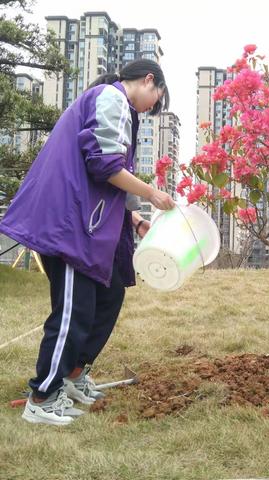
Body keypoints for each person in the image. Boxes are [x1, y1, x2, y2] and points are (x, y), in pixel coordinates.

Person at [0, 59, 175, 425]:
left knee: (110, 294)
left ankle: (74, 374)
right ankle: (43, 396)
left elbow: (98, 182)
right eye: (156, 100)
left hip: (88, 223)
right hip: (68, 224)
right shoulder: (111, 98)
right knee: (73, 311)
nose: (152, 108)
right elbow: (104, 166)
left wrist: (136, 218)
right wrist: (152, 194)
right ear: (148, 81)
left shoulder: (118, 107)